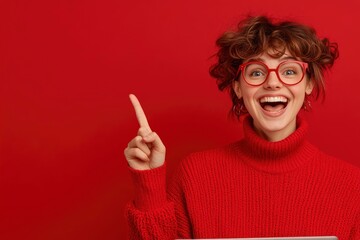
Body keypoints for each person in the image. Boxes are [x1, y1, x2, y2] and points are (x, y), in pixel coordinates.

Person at [124, 15, 360, 239]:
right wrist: (149, 183)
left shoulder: (352, 185)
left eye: (289, 71)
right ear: (238, 87)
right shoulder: (194, 175)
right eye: (256, 72)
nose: (273, 82)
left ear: (308, 84)